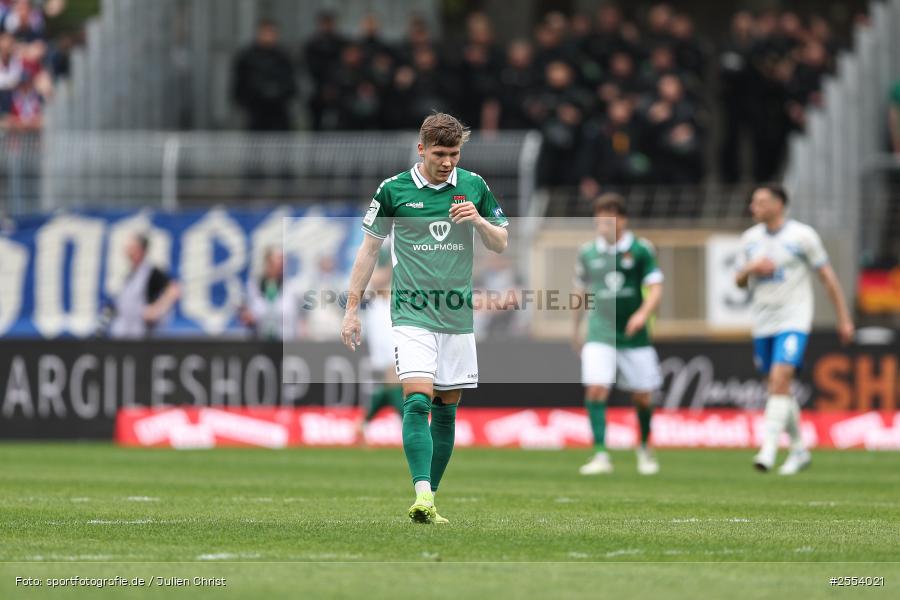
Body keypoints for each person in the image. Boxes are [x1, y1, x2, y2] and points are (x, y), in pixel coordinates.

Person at [341, 113, 508, 524]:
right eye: (439, 153)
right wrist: (351, 309)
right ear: (421, 149)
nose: (448, 161)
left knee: (447, 408)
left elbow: (501, 242)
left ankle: (429, 497)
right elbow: (368, 251)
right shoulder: (394, 190)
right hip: (411, 311)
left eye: (454, 153)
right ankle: (420, 494)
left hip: (455, 315)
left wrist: (480, 221)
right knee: (417, 400)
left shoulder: (474, 186)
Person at [735, 185, 854, 474]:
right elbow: (738, 282)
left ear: (779, 204)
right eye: (753, 202)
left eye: (760, 202)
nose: (754, 207)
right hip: (763, 321)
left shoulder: (802, 236)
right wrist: (751, 268)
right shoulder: (750, 239)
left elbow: (827, 277)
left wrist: (843, 318)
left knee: (780, 376)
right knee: (778, 387)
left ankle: (768, 449)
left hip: (794, 318)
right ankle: (799, 449)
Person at [572, 193, 663, 476]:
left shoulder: (640, 249)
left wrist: (641, 315)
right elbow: (581, 292)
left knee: (643, 397)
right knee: (596, 388)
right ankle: (600, 453)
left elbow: (656, 287)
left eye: (609, 218)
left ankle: (645, 446)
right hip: (600, 330)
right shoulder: (587, 253)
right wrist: (576, 328)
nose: (603, 224)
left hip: (634, 335)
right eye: (599, 219)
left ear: (622, 220)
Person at [356, 241, 403, 442]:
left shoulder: (393, 249)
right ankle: (409, 426)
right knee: (394, 373)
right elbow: (375, 279)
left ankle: (363, 423)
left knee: (393, 379)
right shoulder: (378, 251)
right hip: (381, 314)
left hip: (389, 309)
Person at [107, 233, 181, 339]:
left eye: (131, 247)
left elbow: (174, 289)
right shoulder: (130, 274)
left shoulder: (152, 273)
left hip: (142, 335)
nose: (127, 251)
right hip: (125, 333)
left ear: (140, 250)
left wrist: (156, 310)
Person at [232, 20, 296, 131]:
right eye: (265, 33)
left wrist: (281, 93)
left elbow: (290, 79)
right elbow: (241, 80)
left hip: (279, 106)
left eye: (271, 33)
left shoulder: (283, 56)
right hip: (255, 106)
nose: (268, 36)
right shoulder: (247, 56)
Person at [239, 246, 300, 340]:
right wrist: (248, 317)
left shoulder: (291, 287)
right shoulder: (254, 286)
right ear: (267, 261)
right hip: (260, 343)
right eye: (278, 258)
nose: (282, 263)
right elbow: (249, 316)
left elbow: (296, 317)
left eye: (283, 259)